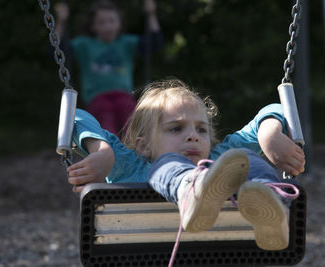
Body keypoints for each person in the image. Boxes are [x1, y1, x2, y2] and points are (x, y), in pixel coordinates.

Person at [67, 79, 305, 251]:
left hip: (216, 253)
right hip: (147, 255)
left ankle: (272, 208)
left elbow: (275, 108)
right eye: (176, 128)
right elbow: (75, 116)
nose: (194, 136)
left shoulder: (218, 157)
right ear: (143, 146)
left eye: (201, 129)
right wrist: (102, 151)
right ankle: (190, 189)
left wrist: (269, 134)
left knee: (243, 157)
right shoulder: (128, 164)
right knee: (168, 163)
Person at [54, 0, 162, 135]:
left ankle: (136, 147)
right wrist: (61, 21)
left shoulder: (126, 43)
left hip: (123, 95)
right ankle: (109, 148)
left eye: (112, 21)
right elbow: (57, 49)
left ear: (119, 23)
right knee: (104, 115)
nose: (108, 26)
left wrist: (151, 14)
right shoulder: (85, 45)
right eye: (101, 22)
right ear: (93, 26)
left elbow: (154, 43)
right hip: (97, 97)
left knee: (131, 116)